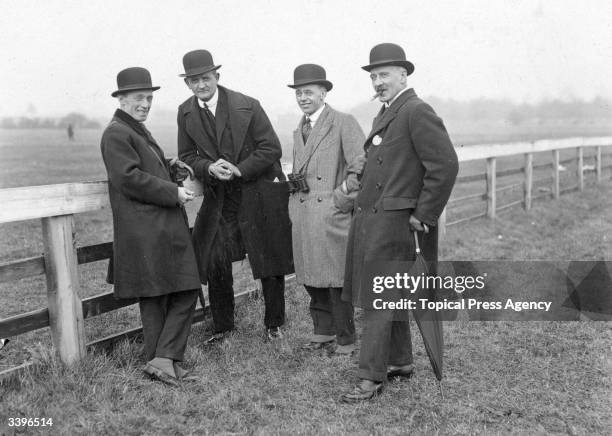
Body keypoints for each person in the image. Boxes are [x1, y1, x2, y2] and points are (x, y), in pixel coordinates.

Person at [340, 43, 459, 402]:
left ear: (403, 75)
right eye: (374, 76)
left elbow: (445, 166)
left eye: (384, 75)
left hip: (396, 224)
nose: (377, 82)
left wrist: (423, 215)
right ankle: (401, 362)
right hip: (375, 221)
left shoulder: (416, 111)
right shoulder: (388, 112)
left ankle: (370, 377)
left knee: (378, 296)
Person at [177, 50, 293, 342]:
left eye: (205, 78)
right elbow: (187, 155)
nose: (201, 85)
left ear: (217, 76)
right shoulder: (185, 112)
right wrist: (209, 167)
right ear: (187, 84)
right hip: (220, 199)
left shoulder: (248, 105)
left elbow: (271, 149)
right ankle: (224, 327)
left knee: (267, 258)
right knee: (215, 258)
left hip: (256, 192)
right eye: (194, 81)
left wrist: (239, 169)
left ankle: (274, 324)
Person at [100, 67, 201, 386]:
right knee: (185, 287)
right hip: (148, 229)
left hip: (153, 228)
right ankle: (164, 358)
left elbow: (141, 169)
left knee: (160, 295)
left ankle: (161, 361)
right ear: (122, 100)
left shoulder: (132, 129)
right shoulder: (117, 132)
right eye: (138, 98)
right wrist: (173, 191)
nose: (145, 104)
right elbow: (128, 178)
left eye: (149, 98)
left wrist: (167, 166)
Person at [286, 64, 365, 355]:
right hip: (304, 211)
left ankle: (346, 336)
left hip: (330, 211)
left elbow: (361, 165)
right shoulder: (300, 127)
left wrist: (342, 198)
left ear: (324, 92)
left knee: (334, 277)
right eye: (298, 93)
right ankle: (323, 330)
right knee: (310, 273)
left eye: (309, 92)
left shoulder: (343, 122)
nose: (303, 97)